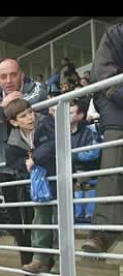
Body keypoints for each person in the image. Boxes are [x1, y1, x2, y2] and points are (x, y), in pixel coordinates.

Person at [0, 58, 47, 265]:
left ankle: (43, 262)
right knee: (16, 223)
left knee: (38, 219)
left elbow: (41, 93)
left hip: (37, 165)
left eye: (13, 74)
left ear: (21, 75)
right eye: (3, 76)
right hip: (8, 169)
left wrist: (14, 104)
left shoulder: (35, 87)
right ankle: (27, 263)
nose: (9, 80)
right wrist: (0, 106)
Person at [4, 98, 58, 274]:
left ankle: (59, 261)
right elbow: (12, 161)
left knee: (58, 220)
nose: (30, 117)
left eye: (30, 112)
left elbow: (53, 143)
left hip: (57, 179)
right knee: (40, 221)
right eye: (23, 116)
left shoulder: (46, 122)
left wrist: (33, 158)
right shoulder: (13, 139)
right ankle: (40, 259)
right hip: (38, 185)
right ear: (14, 122)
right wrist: (26, 162)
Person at [82, 22, 123, 253]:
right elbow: (105, 77)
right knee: (112, 170)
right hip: (118, 111)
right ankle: (103, 232)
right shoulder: (115, 33)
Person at [69, 101, 102, 223]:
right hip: (73, 177)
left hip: (91, 176)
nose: (67, 115)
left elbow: (94, 152)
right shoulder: (63, 133)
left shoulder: (90, 131)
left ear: (80, 115)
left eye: (71, 113)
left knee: (90, 217)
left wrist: (72, 155)